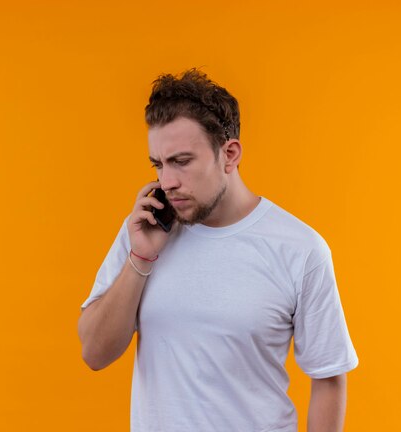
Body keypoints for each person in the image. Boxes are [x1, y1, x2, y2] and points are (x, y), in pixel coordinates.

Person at [78, 69, 358, 432]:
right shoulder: (144, 229)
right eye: (158, 165)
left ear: (230, 154)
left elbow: (328, 376)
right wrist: (141, 258)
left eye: (181, 161)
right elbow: (94, 353)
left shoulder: (301, 250)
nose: (166, 182)